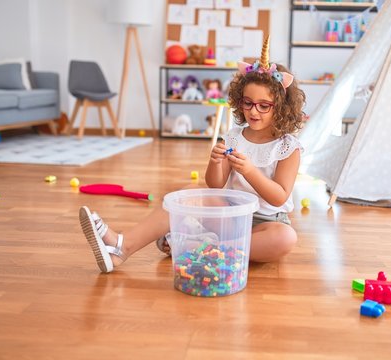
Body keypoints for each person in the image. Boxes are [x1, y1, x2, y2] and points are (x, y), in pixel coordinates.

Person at [79, 36, 306, 273]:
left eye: (263, 105)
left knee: (286, 238)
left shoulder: (288, 147)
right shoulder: (234, 136)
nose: (253, 111)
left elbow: (278, 197)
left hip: (267, 225)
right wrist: (215, 161)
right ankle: (122, 246)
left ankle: (196, 245)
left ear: (280, 107)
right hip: (230, 216)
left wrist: (249, 171)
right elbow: (215, 185)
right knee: (187, 191)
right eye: (247, 103)